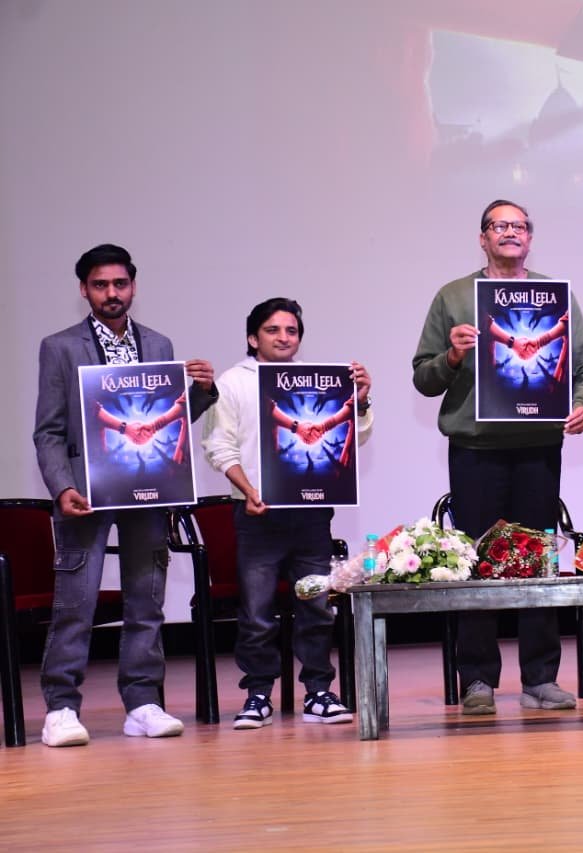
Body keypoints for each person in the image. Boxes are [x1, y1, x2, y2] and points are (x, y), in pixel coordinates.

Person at [412, 199, 583, 715]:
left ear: (530, 238)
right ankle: (477, 680)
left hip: (538, 448)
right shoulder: (453, 297)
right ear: (482, 238)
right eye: (500, 226)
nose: (510, 233)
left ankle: (540, 679)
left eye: (519, 226)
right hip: (475, 449)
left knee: (537, 561)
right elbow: (423, 378)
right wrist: (452, 356)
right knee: (476, 564)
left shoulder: (553, 296)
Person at [33, 243, 218, 747]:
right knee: (76, 601)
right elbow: (48, 431)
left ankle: (142, 702)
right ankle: (62, 708)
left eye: (120, 283)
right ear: (84, 290)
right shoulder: (61, 346)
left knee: (146, 600)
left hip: (147, 487)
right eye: (100, 284)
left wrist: (200, 390)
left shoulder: (158, 344)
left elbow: (171, 419)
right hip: (85, 492)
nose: (111, 293)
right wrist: (62, 486)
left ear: (133, 286)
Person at [202, 298, 373, 728]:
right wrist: (248, 490)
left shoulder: (318, 381)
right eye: (273, 330)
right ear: (252, 337)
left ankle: (318, 692)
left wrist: (361, 401)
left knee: (317, 606)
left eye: (291, 331)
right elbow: (218, 446)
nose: (283, 338)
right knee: (257, 613)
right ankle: (258, 695)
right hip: (257, 515)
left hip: (310, 514)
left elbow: (355, 440)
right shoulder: (234, 382)